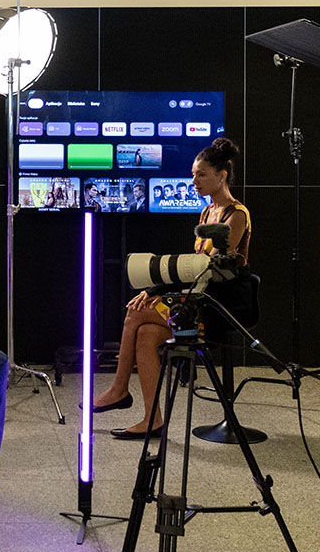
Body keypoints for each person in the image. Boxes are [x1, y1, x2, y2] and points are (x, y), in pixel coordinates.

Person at [93, 137, 251, 439]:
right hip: (196, 299)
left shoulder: (237, 214)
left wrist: (156, 291)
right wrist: (155, 289)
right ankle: (152, 420)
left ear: (221, 176)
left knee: (134, 315)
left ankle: (118, 389)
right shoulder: (207, 213)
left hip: (218, 306)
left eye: (201, 174)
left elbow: (212, 269)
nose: (194, 181)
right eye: (193, 174)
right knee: (144, 334)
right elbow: (194, 268)